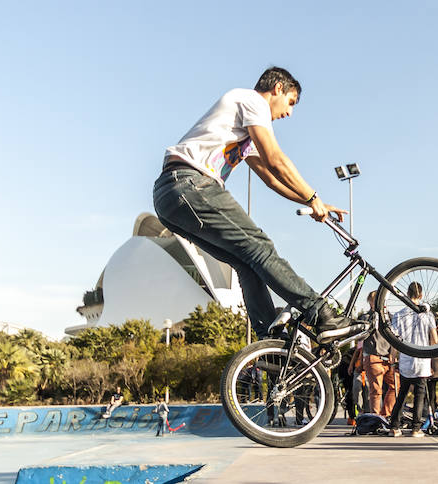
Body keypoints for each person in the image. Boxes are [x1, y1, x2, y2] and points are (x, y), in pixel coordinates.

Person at [152, 66, 356, 343]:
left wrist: (317, 204)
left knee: (247, 264)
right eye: (291, 103)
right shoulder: (252, 101)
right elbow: (276, 159)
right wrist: (313, 197)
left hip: (171, 197)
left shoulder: (243, 130)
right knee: (261, 248)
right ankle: (321, 314)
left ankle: (269, 342)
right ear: (277, 90)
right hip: (190, 184)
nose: (289, 113)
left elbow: (272, 179)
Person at [388, 282, 438, 437]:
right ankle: (416, 428)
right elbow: (434, 339)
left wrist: (393, 356)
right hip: (422, 360)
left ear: (407, 294)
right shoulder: (428, 315)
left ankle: (394, 426)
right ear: (421, 295)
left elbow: (395, 339)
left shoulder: (399, 315)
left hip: (406, 359)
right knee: (419, 395)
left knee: (402, 393)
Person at [360, 291, 397, 418]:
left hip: (389, 357)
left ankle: (385, 414)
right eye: (372, 301)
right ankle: (376, 417)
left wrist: (394, 353)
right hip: (373, 356)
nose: (374, 303)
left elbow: (396, 337)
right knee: (376, 390)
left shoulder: (391, 318)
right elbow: (362, 334)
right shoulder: (366, 318)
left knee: (395, 385)